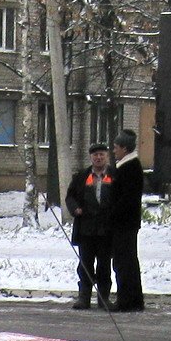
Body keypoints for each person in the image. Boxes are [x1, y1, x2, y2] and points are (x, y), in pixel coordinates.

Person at [64, 144, 116, 311]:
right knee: (85, 265)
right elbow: (70, 196)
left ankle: (103, 299)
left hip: (106, 230)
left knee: (104, 265)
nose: (98, 158)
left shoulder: (115, 176)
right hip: (86, 230)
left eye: (101, 155)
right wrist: (75, 209)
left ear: (106, 156)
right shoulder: (81, 177)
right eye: (95, 155)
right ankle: (84, 298)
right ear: (91, 158)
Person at [110, 128, 146, 311]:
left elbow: (125, 199)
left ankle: (126, 300)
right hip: (128, 223)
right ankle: (133, 299)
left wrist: (112, 213)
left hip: (124, 223)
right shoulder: (129, 166)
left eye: (116, 147)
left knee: (124, 262)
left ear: (125, 148)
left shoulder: (129, 168)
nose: (114, 150)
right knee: (128, 261)